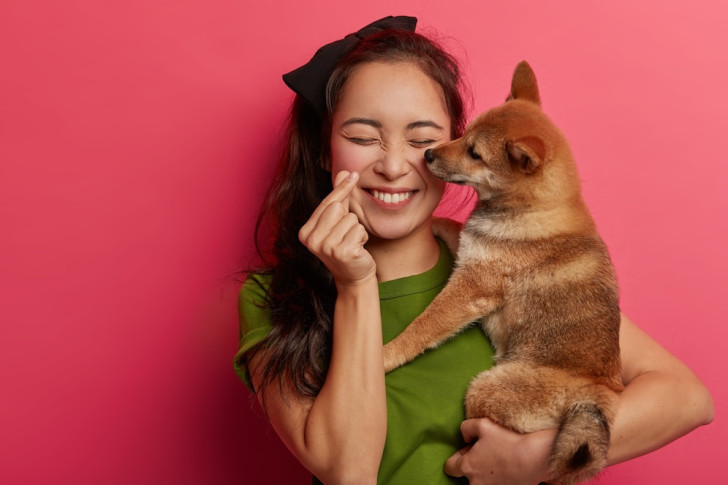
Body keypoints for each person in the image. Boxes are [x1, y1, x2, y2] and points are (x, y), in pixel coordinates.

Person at [234, 16, 714, 485]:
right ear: (324, 150)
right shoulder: (271, 299)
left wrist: (538, 456)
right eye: (363, 138)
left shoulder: (519, 267)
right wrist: (355, 284)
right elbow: (349, 471)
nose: (395, 165)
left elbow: (688, 398)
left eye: (423, 140)